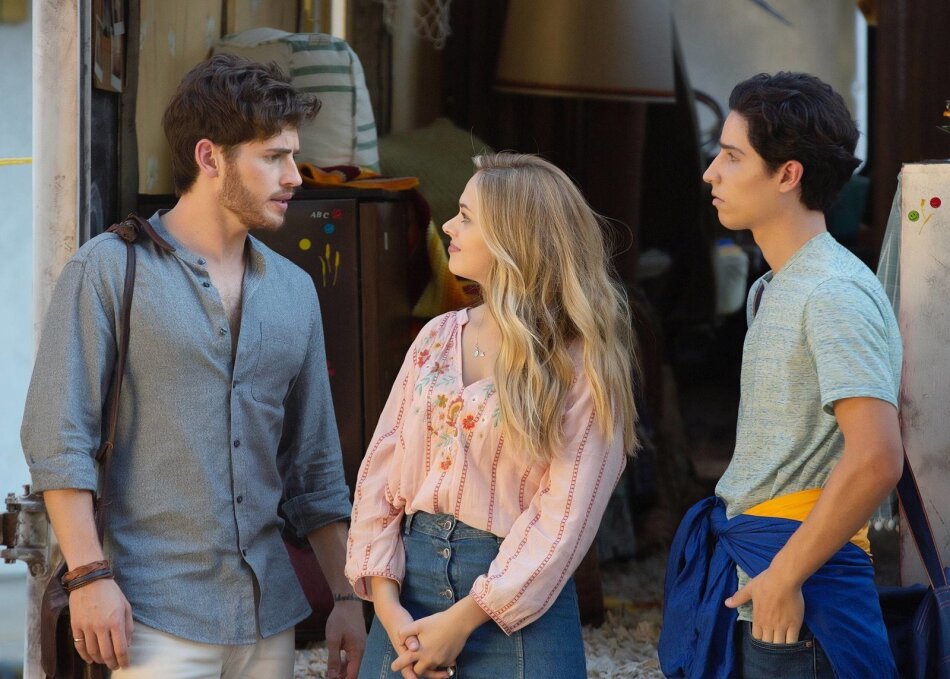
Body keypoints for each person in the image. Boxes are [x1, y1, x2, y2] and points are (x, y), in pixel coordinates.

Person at [21, 54, 365, 679]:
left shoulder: (294, 291)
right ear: (210, 157)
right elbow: (58, 438)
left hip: (268, 616)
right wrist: (89, 576)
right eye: (273, 156)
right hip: (149, 615)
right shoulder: (107, 270)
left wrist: (346, 598)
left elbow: (314, 465)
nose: (293, 176)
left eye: (293, 156)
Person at [345, 153, 638, 679]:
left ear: (514, 239)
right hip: (407, 599)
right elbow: (379, 475)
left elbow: (565, 518)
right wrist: (388, 611)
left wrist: (462, 622)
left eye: (466, 216)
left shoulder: (581, 363)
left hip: (518, 610)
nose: (447, 226)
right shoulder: (436, 338)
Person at [659, 72, 903, 679]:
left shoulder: (832, 292)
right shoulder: (774, 285)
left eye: (732, 156)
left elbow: (876, 458)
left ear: (788, 174)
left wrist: (785, 576)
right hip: (767, 571)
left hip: (801, 593)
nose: (711, 173)